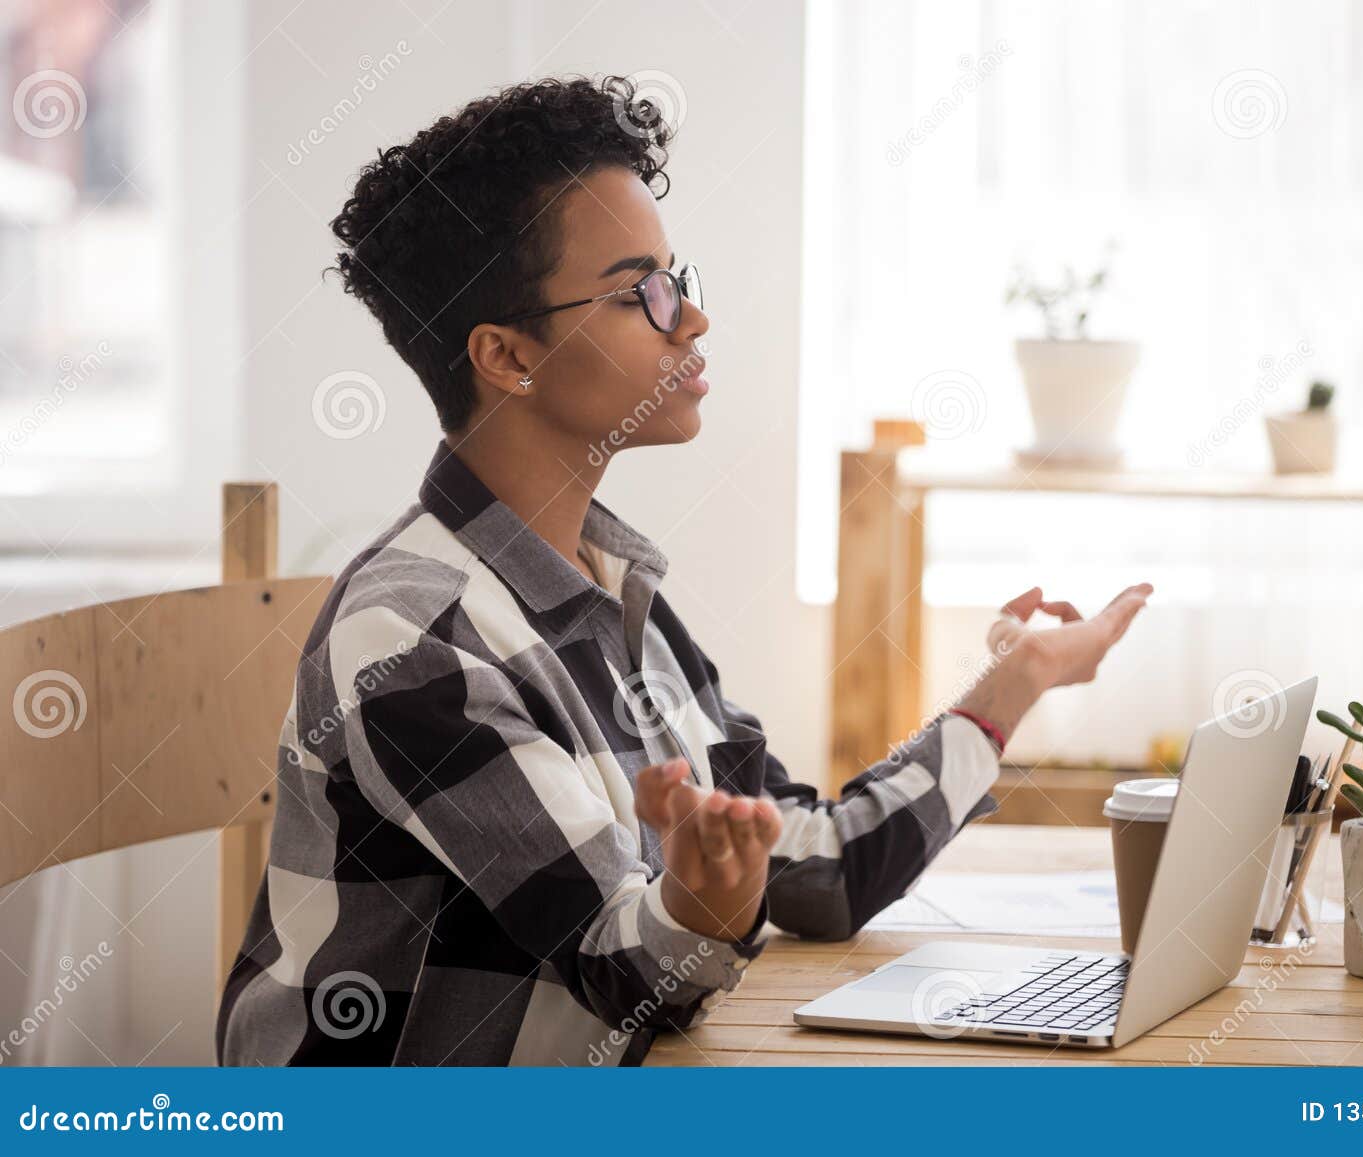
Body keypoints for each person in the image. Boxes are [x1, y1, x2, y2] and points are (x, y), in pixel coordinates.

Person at [215, 76, 1152, 1067]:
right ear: (503, 354)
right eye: (640, 292)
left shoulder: (609, 592)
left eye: (677, 277)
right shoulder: (416, 641)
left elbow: (819, 867)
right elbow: (625, 969)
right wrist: (701, 903)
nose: (690, 320)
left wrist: (1018, 680)